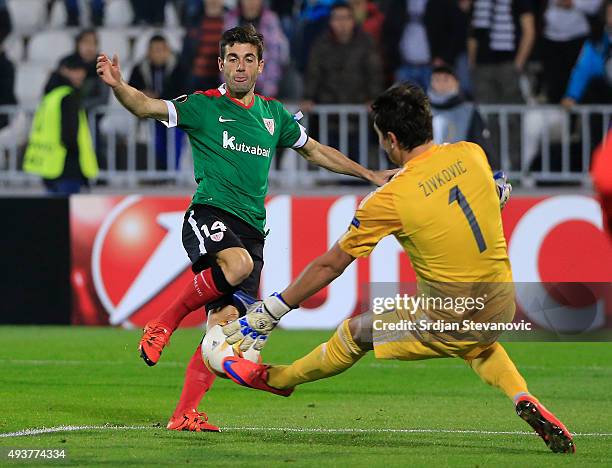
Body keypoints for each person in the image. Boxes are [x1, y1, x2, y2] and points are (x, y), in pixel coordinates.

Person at [221, 82, 575, 455]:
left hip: (448, 316)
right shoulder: (471, 154)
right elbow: (492, 190)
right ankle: (521, 394)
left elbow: (331, 264)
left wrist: (275, 307)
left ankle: (278, 378)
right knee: (478, 343)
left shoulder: (390, 197)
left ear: (391, 139)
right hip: (500, 304)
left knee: (356, 331)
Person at [96, 24, 395, 432]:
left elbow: (316, 151)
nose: (240, 67)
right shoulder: (202, 106)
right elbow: (146, 106)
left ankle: (184, 413)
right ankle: (163, 321)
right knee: (234, 265)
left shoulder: (274, 115)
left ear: (260, 65)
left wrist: (369, 174)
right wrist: (118, 85)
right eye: (232, 59)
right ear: (220, 64)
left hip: (253, 232)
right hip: (209, 214)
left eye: (248, 59)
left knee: (222, 335)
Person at [24, 55, 99, 195]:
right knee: (65, 214)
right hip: (67, 167)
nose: (81, 75)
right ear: (64, 71)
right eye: (75, 70)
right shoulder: (68, 97)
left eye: (82, 71)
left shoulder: (50, 96)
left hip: (49, 167)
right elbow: (69, 135)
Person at [129, 34, 183, 170]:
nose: (158, 54)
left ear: (168, 50)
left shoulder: (180, 67)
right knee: (156, 144)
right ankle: (160, 172)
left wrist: (159, 97)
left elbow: (184, 91)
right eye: (154, 50)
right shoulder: (140, 68)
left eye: (161, 50)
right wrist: (143, 94)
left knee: (174, 142)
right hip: (151, 116)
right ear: (148, 52)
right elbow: (130, 89)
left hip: (175, 114)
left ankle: (172, 173)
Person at [225, 0, 289, 97]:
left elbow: (275, 57)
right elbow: (225, 55)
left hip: (264, 89)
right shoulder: (231, 19)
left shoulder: (270, 20)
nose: (251, 2)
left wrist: (269, 88)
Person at [428, 65, 491, 159]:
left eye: (446, 79)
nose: (441, 83)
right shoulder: (423, 111)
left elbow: (479, 145)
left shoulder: (469, 111)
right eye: (437, 79)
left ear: (457, 83)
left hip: (461, 167)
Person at [181, 0, 226, 93]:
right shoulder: (194, 20)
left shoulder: (231, 19)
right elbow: (187, 52)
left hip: (222, 78)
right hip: (197, 79)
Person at [59, 29, 109, 112]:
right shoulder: (66, 63)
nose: (90, 46)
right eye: (86, 42)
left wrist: (77, 105)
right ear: (78, 44)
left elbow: (103, 98)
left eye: (94, 43)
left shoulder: (103, 64)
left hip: (93, 114)